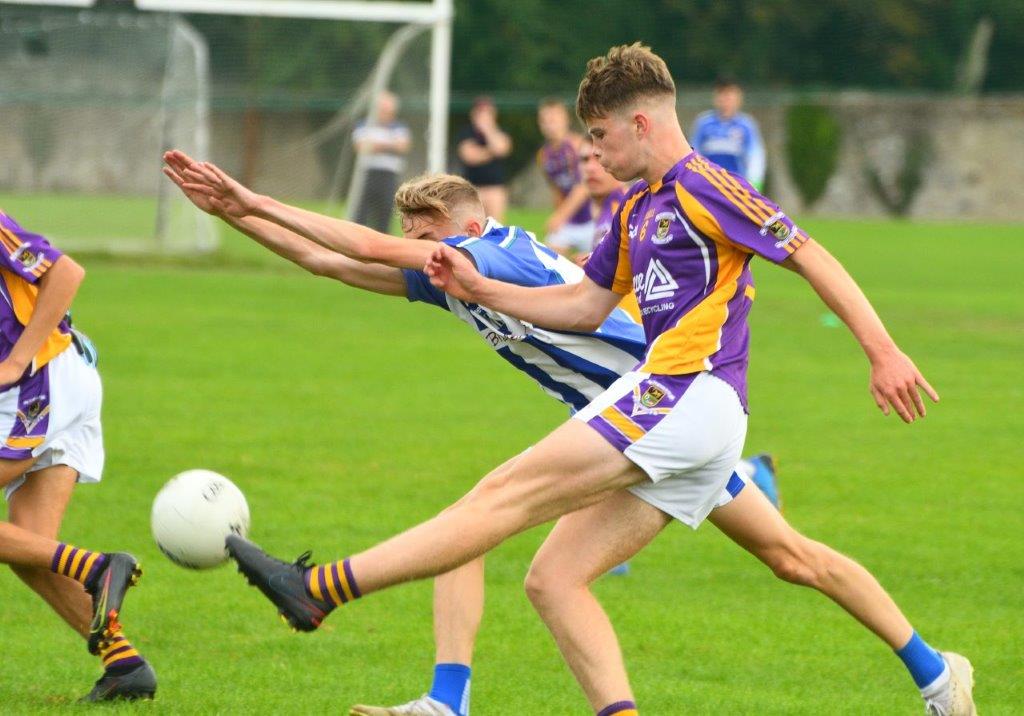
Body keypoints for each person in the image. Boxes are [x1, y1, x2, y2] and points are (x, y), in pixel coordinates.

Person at [207, 43, 972, 716]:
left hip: (681, 395)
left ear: (641, 123)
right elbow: (579, 303)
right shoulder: (633, 212)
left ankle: (324, 591)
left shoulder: (706, 185)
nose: (594, 156)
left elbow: (806, 252)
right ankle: (941, 681)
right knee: (563, 578)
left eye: (601, 138)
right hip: (663, 422)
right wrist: (483, 294)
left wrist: (882, 350)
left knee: (496, 498)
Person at [163, 151, 780, 716]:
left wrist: (253, 200)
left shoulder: (498, 251)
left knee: (517, 541)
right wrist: (230, 214)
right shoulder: (456, 279)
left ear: (467, 230)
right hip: (624, 422)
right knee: (791, 558)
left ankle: (327, 596)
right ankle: (445, 700)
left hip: (657, 411)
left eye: (426, 238)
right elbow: (330, 262)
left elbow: (370, 248)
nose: (419, 253)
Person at [0, 210, 155, 701]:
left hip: (39, 380)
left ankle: (96, 568)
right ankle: (125, 667)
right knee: (28, 547)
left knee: (34, 548)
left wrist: (19, 357)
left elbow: (66, 272)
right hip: (56, 381)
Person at [536, 98, 593, 258]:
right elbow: (557, 191)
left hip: (594, 221)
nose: (549, 124)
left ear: (565, 120)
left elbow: (584, 187)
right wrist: (559, 220)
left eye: (553, 119)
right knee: (547, 257)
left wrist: (559, 217)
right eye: (544, 120)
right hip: (570, 223)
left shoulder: (578, 146)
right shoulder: (543, 155)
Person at [690, 77, 767, 191]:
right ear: (715, 98)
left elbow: (756, 157)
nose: (726, 100)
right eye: (722, 95)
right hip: (708, 187)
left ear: (739, 98)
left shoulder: (746, 125)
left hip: (737, 187)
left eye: (730, 96)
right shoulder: (703, 123)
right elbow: (693, 154)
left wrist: (754, 184)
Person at [351, 90, 411, 232]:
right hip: (367, 174)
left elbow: (403, 146)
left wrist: (376, 145)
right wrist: (390, 144)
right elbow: (361, 146)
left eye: (388, 110)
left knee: (384, 213)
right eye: (382, 109)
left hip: (389, 176)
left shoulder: (400, 126)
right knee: (361, 214)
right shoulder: (363, 124)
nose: (385, 113)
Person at [456, 96, 512, 221]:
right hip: (473, 188)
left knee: (495, 228)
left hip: (495, 189)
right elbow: (470, 156)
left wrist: (488, 130)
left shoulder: (500, 131)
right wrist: (492, 152)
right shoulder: (466, 133)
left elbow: (502, 148)